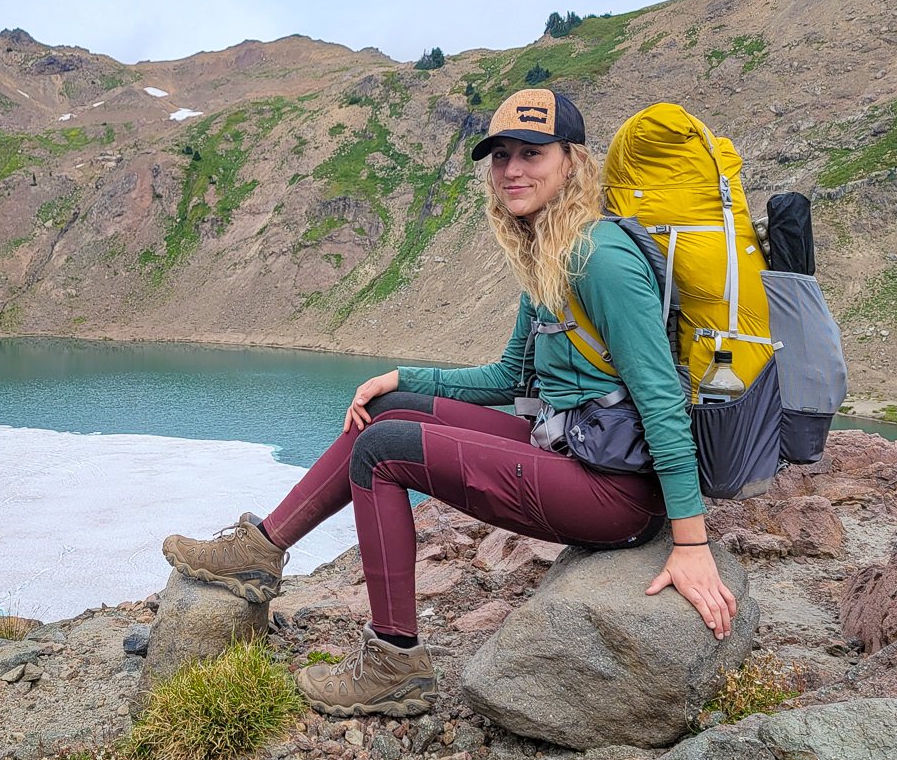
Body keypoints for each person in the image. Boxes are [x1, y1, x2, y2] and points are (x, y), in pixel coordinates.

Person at [161, 88, 737, 718]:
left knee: (382, 454)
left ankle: (394, 663)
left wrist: (690, 544)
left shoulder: (599, 256)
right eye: (500, 157)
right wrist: (401, 377)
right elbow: (507, 377)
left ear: (571, 161)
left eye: (532, 154)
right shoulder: (549, 251)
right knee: (385, 414)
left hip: (617, 495)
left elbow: (660, 399)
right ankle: (260, 552)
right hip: (574, 453)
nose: (512, 170)